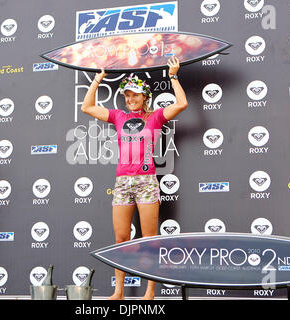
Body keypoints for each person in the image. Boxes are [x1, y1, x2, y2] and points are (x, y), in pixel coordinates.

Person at [81, 57, 188, 300]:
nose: (130, 100)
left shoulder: (156, 117)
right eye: (127, 95)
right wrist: (97, 79)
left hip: (146, 181)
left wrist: (173, 76)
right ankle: (118, 291)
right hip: (122, 182)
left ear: (145, 97)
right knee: (120, 239)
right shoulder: (118, 116)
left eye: (135, 95)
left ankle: (150, 291)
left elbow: (182, 103)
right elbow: (87, 107)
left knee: (149, 239)